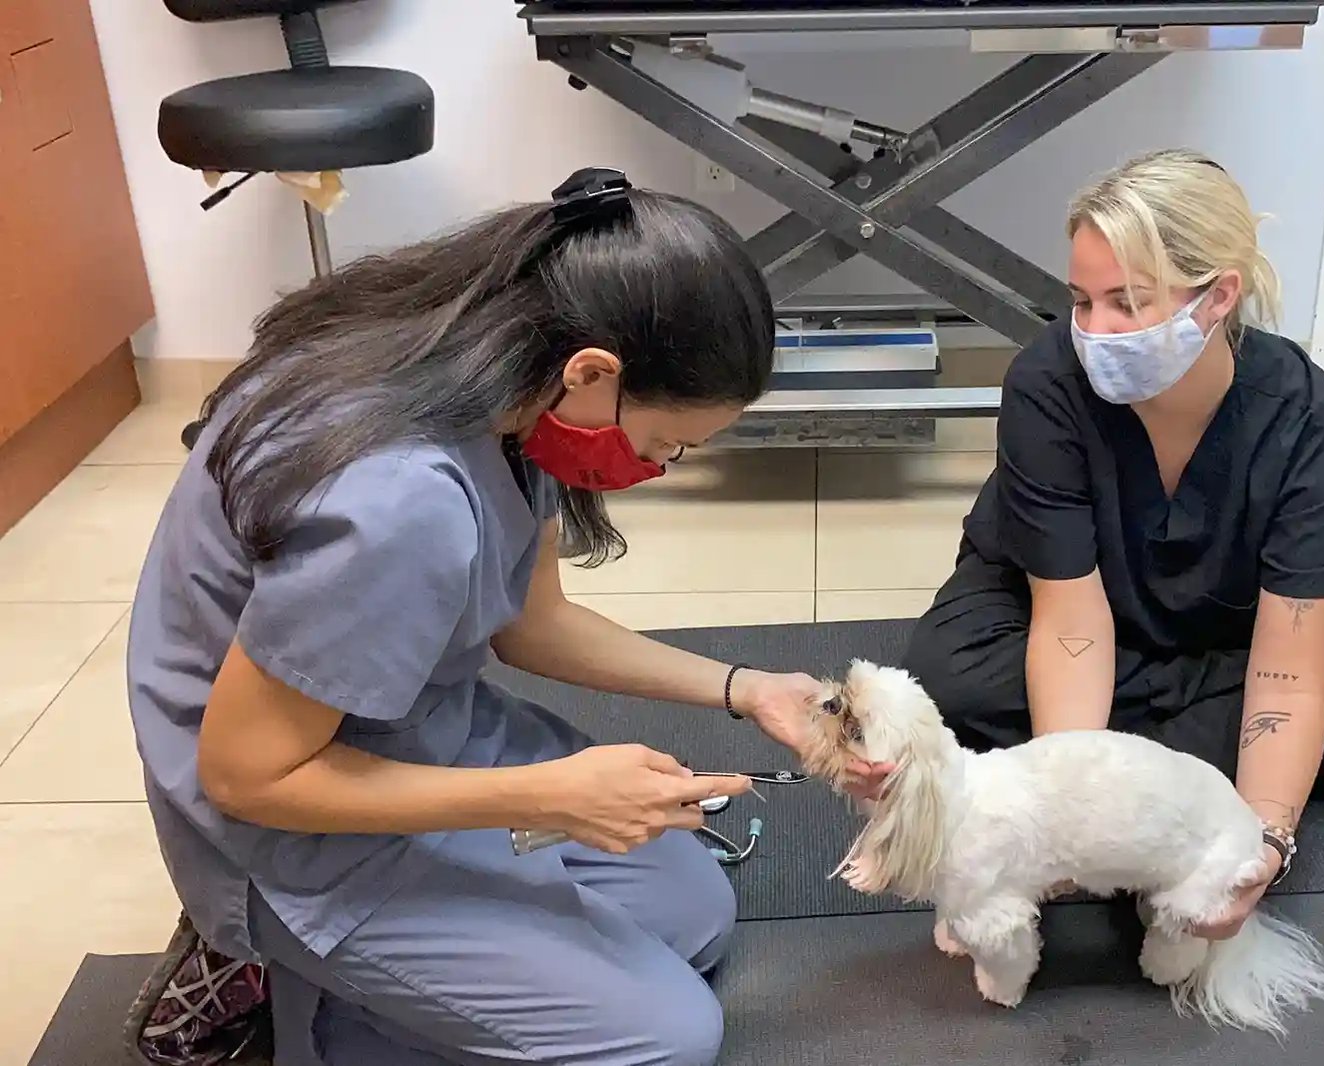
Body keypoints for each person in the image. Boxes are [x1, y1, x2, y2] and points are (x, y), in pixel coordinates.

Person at [127, 168, 889, 1066]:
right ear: (594, 371)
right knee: (668, 1040)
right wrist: (547, 795)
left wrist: (746, 688)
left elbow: (533, 624)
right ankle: (293, 991)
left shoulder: (508, 390)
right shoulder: (397, 499)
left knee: (692, 918)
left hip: (410, 732)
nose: (665, 464)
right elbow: (247, 778)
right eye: (663, 442)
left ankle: (440, 958)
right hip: (292, 819)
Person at [901, 149, 1324, 939]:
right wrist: (1078, 811)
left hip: (1228, 623)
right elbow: (1071, 624)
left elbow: (1288, 669)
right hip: (1071, 614)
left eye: (1127, 302)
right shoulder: (1046, 384)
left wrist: (1262, 841)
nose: (1094, 330)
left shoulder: (1299, 410)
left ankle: (1196, 762)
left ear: (1217, 298)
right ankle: (1242, 761)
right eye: (1080, 300)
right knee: (950, 669)